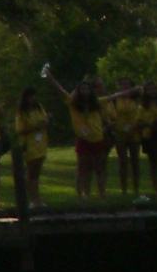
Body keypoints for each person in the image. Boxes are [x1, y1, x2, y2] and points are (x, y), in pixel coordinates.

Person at [45, 68, 110, 197]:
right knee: (82, 170)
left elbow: (115, 96)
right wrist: (50, 77)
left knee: (99, 169)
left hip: (97, 139)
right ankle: (82, 196)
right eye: (82, 89)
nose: (85, 92)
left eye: (87, 89)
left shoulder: (96, 103)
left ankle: (102, 196)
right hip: (84, 140)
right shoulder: (73, 103)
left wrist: (132, 90)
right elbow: (61, 90)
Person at [14, 87, 50, 201]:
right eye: (30, 96)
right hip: (30, 145)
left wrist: (46, 121)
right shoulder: (22, 113)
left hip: (41, 144)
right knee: (31, 173)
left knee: (36, 174)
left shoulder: (39, 109)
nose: (33, 98)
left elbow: (44, 120)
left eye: (34, 96)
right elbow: (20, 130)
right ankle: (32, 198)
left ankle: (36, 198)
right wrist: (36, 127)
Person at [108, 79, 143, 195]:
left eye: (128, 84)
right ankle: (124, 189)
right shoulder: (116, 99)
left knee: (135, 161)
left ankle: (136, 188)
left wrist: (134, 128)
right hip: (120, 133)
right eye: (123, 84)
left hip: (134, 133)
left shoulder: (137, 100)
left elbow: (141, 115)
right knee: (122, 162)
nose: (125, 86)